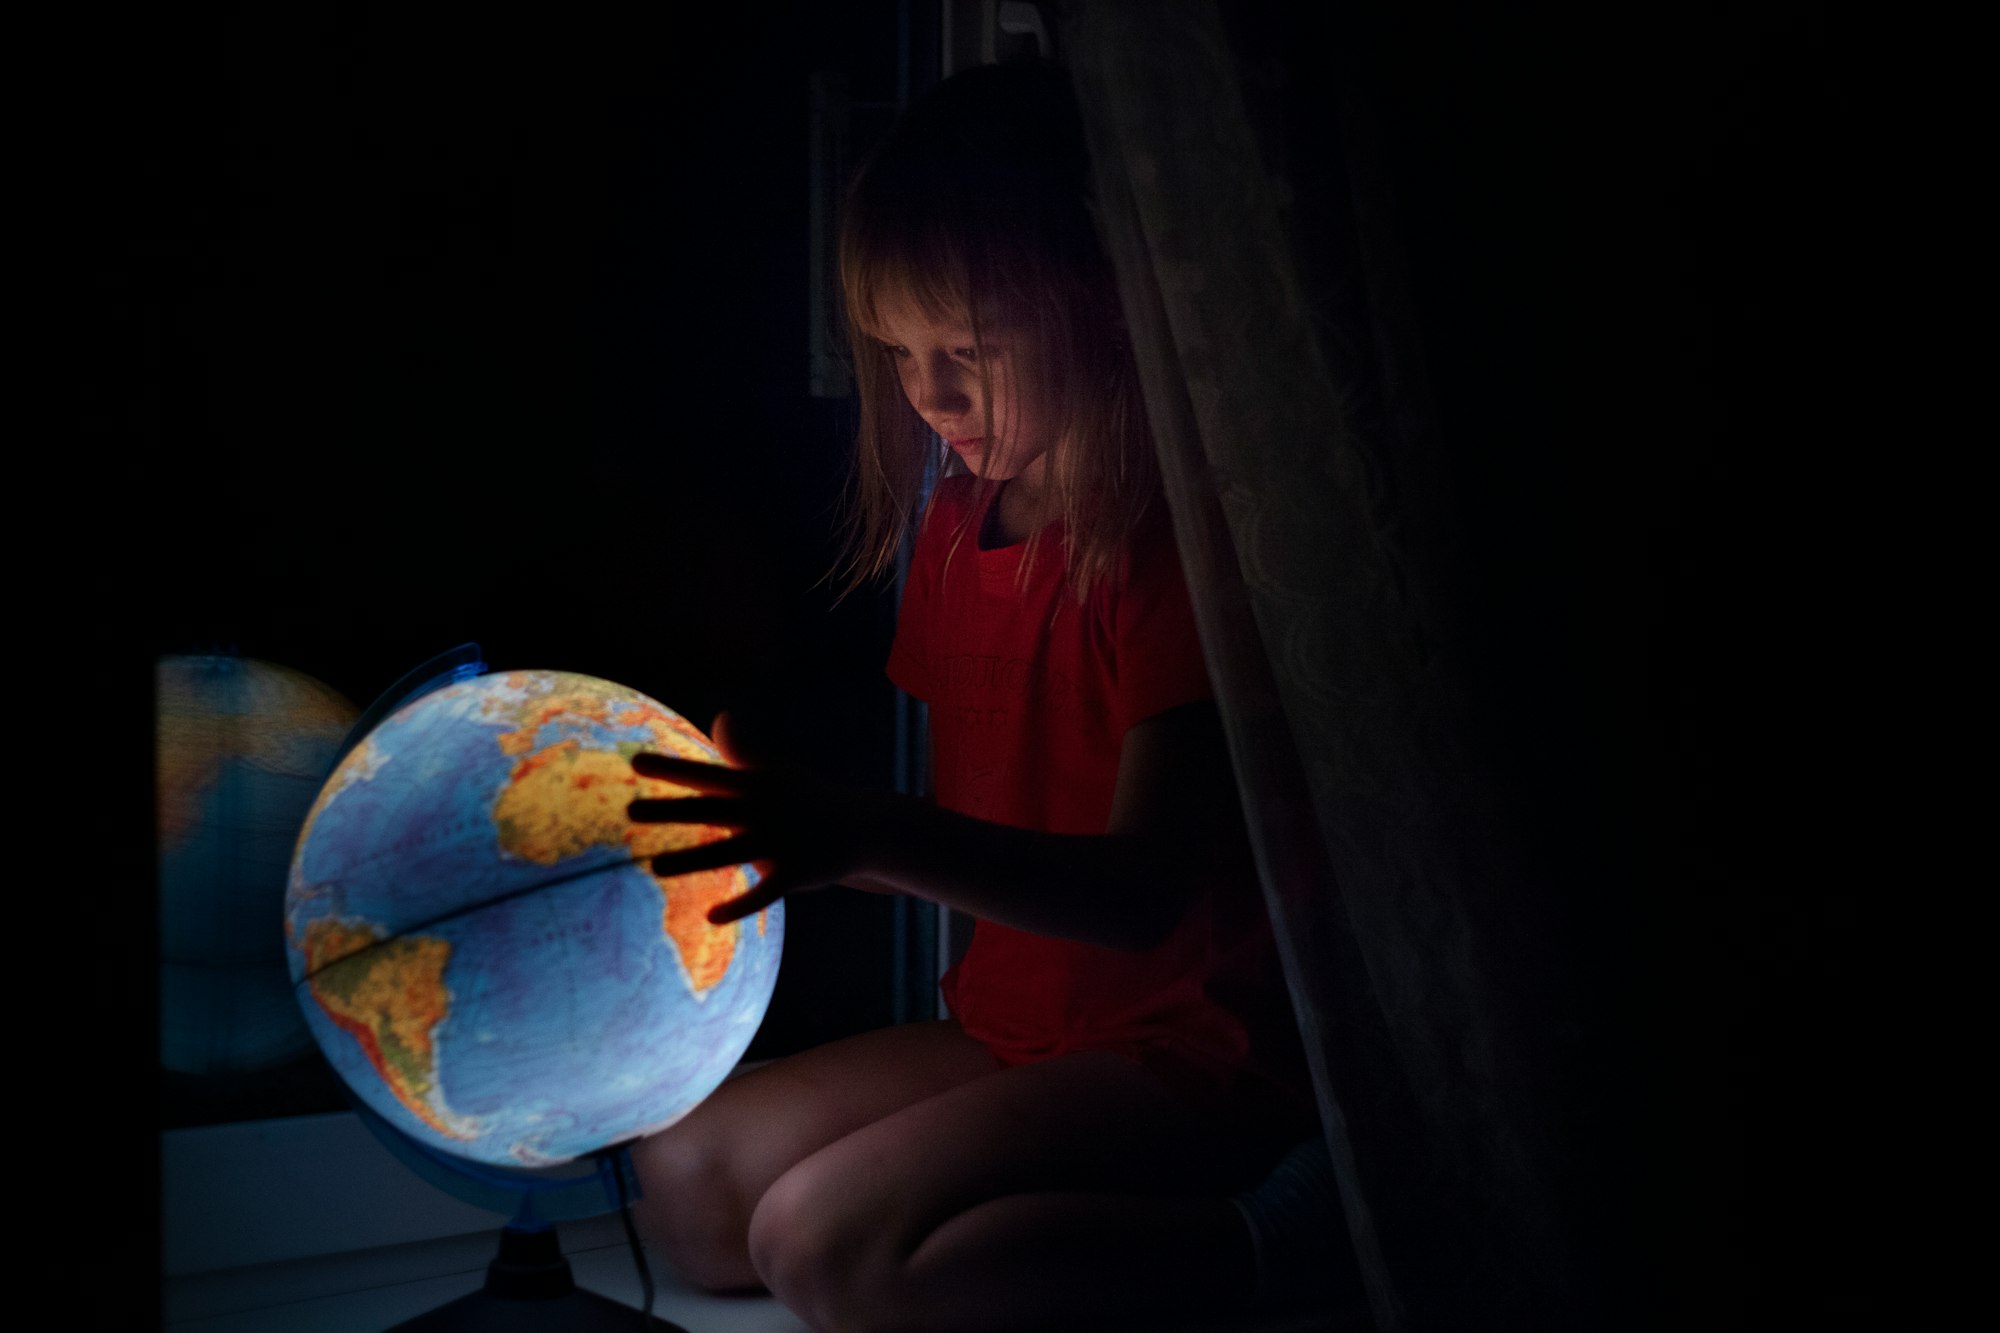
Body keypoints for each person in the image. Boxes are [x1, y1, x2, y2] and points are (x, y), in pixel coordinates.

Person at [626, 59, 1338, 1332]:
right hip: (1018, 1025)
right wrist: (806, 841)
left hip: (1192, 1049)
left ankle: (1279, 1243)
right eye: (899, 353)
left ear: (1108, 311)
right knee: (683, 1184)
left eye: (970, 351)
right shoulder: (958, 525)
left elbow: (1136, 898)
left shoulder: (1172, 547)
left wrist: (868, 834)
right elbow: (986, 815)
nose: (930, 395)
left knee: (822, 1247)